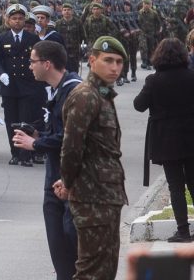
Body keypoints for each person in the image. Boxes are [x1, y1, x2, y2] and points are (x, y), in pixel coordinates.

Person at [54, 36, 129, 280]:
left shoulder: (103, 95)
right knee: (91, 270)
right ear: (92, 60)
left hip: (106, 196)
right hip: (91, 197)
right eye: (108, 60)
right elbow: (71, 148)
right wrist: (68, 183)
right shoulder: (86, 96)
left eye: (119, 62)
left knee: (105, 268)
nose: (115, 67)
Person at [13, 39, 82, 280]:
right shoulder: (59, 90)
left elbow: (71, 138)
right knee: (59, 248)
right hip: (55, 176)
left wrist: (36, 144)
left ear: (47, 64)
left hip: (69, 180)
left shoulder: (74, 91)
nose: (29, 66)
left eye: (32, 62)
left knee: (70, 245)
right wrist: (39, 135)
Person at [133, 37, 194, 243]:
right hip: (191, 135)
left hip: (166, 139)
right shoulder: (191, 76)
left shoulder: (154, 80)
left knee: (175, 186)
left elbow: (139, 105)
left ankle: (183, 231)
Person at [0, 3, 43, 167]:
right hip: (10, 87)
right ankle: (15, 153)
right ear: (8, 20)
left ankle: (26, 155)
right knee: (11, 121)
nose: (17, 22)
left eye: (20, 19)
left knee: (26, 120)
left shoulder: (32, 39)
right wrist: (1, 74)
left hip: (28, 86)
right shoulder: (2, 38)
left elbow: (39, 60)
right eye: (14, 18)